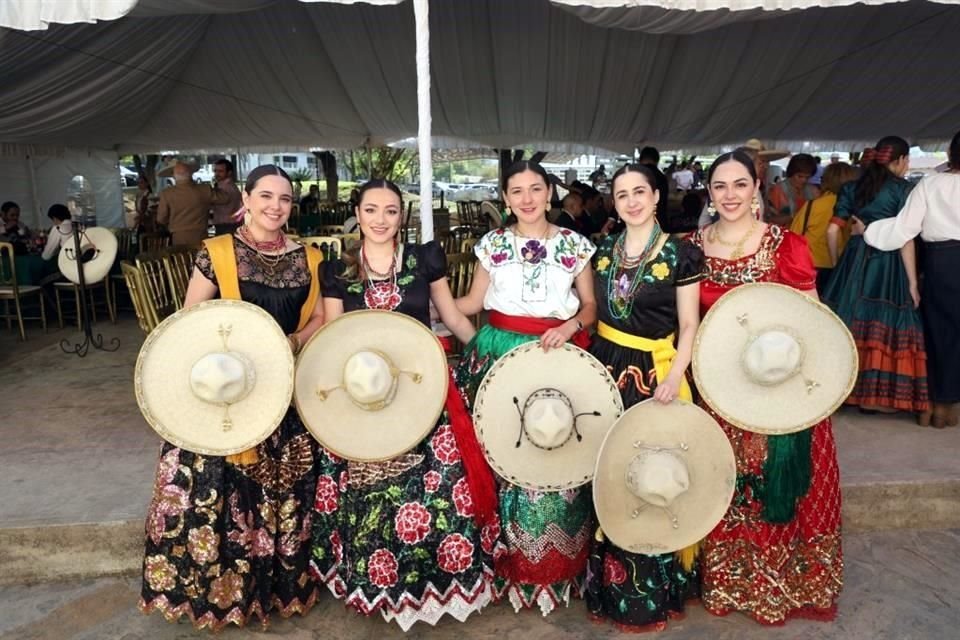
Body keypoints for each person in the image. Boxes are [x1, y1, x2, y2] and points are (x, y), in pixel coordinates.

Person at [140, 165, 326, 631]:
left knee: (282, 489)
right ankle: (221, 594)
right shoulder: (217, 252)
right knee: (219, 493)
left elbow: (322, 317)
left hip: (283, 390)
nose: (275, 207)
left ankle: (278, 589)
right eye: (265, 196)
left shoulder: (310, 257)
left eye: (284, 199)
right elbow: (191, 322)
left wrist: (295, 341)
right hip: (228, 389)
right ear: (246, 196)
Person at [311, 179, 497, 629]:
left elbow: (451, 315)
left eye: (390, 211)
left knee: (436, 484)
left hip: (421, 386)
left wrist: (490, 357)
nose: (380, 219)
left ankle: (432, 581)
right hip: (363, 395)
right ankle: (378, 582)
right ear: (357, 212)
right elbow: (335, 338)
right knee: (370, 488)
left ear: (402, 216)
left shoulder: (423, 259)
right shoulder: (336, 269)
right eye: (371, 209)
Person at [690, 150, 843, 624]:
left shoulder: (785, 245)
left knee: (778, 480)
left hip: (779, 386)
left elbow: (811, 318)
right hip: (716, 389)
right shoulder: (692, 247)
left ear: (757, 188)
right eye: (720, 186)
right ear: (710, 194)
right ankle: (731, 581)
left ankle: (787, 584)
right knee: (729, 484)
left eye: (740, 184)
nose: (730, 194)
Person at [454, 160, 597, 614]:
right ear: (505, 197)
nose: (528, 198)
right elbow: (473, 304)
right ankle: (499, 564)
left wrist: (572, 325)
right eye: (517, 191)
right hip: (497, 353)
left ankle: (549, 568)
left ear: (550, 193)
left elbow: (591, 306)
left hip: (556, 353)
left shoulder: (575, 244)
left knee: (552, 448)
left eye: (536, 188)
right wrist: (419, 298)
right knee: (496, 451)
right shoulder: (491, 244)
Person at [585, 164, 705, 631]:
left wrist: (676, 375)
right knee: (608, 474)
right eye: (622, 194)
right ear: (613, 201)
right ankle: (607, 588)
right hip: (604, 369)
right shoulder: (600, 250)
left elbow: (690, 324)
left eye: (641, 192)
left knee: (652, 474)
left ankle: (651, 594)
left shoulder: (681, 254)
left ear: (657, 197)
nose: (632, 201)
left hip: (655, 374)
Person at [821, 136, 929, 417]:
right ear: (902, 160)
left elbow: (832, 231)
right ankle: (873, 397)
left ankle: (840, 392)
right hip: (890, 263)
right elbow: (906, 239)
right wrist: (913, 283)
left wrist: (837, 264)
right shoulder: (904, 190)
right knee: (883, 325)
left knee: (848, 322)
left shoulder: (851, 188)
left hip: (854, 260)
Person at [859, 129, 960, 428]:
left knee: (940, 332)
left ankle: (936, 404)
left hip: (941, 262)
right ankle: (949, 403)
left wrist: (869, 231)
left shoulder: (930, 184)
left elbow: (905, 228)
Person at [789, 162, 858, 292]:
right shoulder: (854, 208)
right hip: (842, 263)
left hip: (810, 264)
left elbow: (794, 235)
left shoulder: (812, 205)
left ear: (826, 181)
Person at [156, 162, 230, 246]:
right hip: (201, 234)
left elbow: (161, 219)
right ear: (191, 174)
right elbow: (225, 198)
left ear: (174, 176)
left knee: (182, 258)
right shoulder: (204, 189)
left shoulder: (167, 194)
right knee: (201, 258)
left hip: (178, 236)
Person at [766, 153, 818, 226]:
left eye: (807, 177)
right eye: (800, 176)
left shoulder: (813, 191)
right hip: (785, 234)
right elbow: (769, 219)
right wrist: (795, 217)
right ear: (791, 172)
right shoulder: (777, 190)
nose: (804, 180)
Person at [211, 159, 243, 236]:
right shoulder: (221, 186)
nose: (217, 174)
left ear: (229, 173)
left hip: (228, 226)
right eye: (215, 171)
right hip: (226, 225)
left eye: (220, 171)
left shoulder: (228, 188)